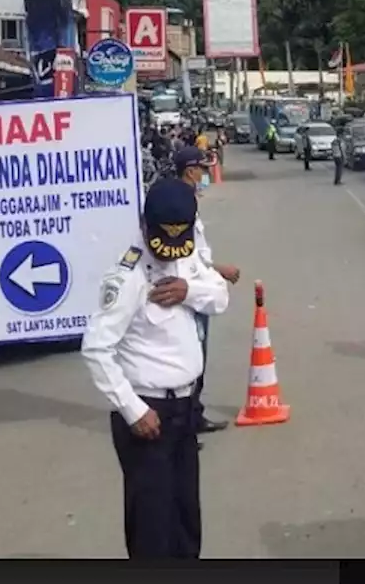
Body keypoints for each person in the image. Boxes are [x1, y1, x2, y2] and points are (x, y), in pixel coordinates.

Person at [81, 178, 233, 558]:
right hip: (150, 416)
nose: (168, 253)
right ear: (145, 226)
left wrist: (189, 291)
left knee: (185, 521)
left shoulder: (186, 255)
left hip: (185, 410)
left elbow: (220, 296)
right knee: (152, 529)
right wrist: (133, 410)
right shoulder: (128, 276)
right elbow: (97, 348)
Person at [174, 147, 242, 441]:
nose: (204, 175)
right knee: (191, 361)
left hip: (198, 286)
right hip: (189, 290)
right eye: (201, 170)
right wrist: (218, 268)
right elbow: (185, 255)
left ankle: (194, 417)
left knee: (198, 360)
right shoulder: (178, 204)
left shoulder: (188, 200)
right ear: (190, 172)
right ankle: (184, 427)